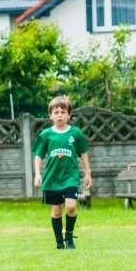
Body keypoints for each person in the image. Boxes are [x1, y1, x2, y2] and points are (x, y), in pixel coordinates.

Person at [32, 95, 92, 249]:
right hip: (52, 178)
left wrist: (88, 173)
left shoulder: (75, 133)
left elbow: (83, 153)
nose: (60, 115)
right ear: (50, 115)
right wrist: (38, 174)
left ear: (69, 115)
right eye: (56, 112)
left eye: (63, 112)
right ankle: (59, 242)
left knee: (71, 206)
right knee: (57, 210)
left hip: (70, 176)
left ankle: (69, 237)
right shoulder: (46, 135)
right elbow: (38, 154)